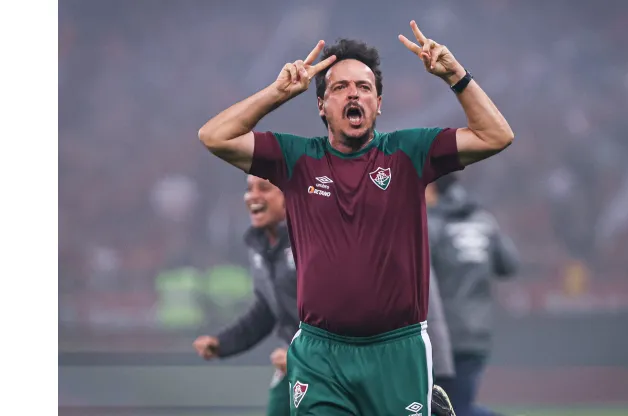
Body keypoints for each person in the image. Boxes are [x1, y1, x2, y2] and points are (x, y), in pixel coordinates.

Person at [198, 20, 514, 416]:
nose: (354, 95)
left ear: (378, 104)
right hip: (320, 356)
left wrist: (456, 77)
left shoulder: (408, 152)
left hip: (397, 351)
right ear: (321, 105)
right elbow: (214, 137)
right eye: (340, 87)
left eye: (364, 88)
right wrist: (276, 95)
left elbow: (496, 136)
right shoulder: (296, 159)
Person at [193, 175, 457, 416]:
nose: (253, 196)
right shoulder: (260, 246)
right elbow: (266, 309)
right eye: (249, 189)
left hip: (339, 357)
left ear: (290, 196)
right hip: (303, 359)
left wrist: (307, 356)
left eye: (264, 188)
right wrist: (223, 344)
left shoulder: (316, 237)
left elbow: (352, 302)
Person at [426, 175, 520, 416]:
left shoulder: (430, 224)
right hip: (476, 333)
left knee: (447, 408)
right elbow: (509, 265)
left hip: (442, 337)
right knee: (451, 405)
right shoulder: (484, 221)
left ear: (433, 188)